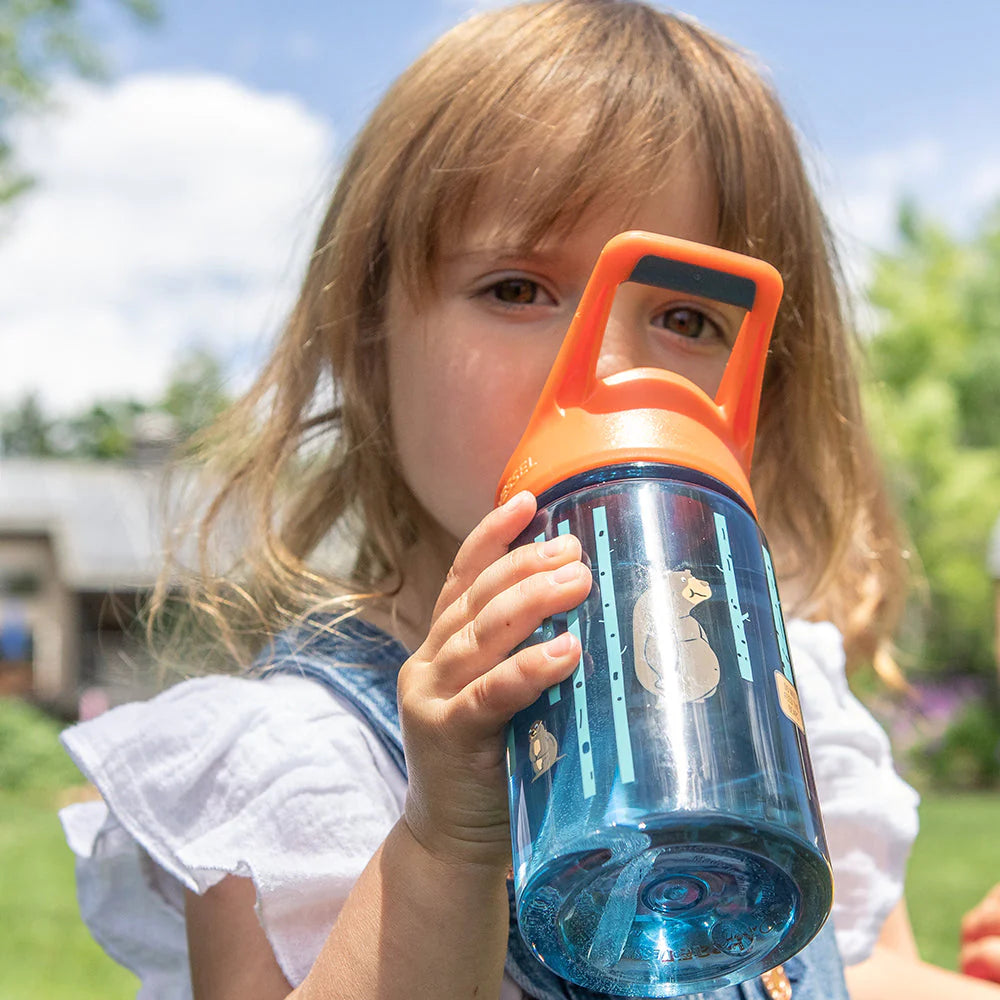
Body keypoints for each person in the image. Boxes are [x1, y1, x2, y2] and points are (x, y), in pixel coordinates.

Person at [56, 2, 997, 997]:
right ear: (365, 344)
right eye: (517, 288)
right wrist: (442, 848)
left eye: (683, 314)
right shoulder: (297, 765)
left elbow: (853, 972)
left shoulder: (777, 700)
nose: (605, 364)